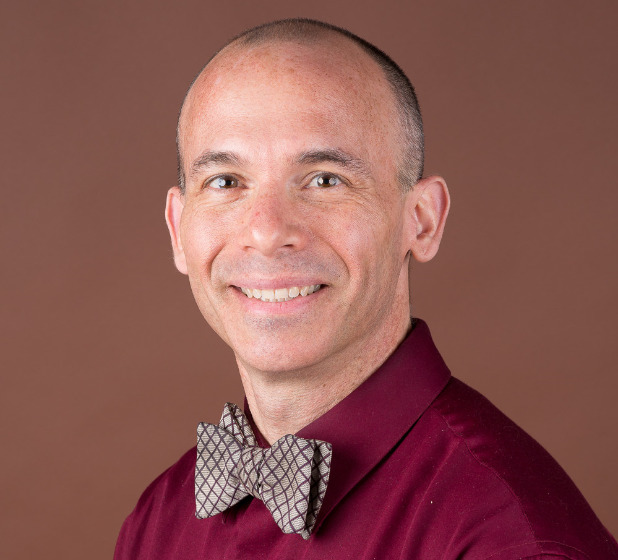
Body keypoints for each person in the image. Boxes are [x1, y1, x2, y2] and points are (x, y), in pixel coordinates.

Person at [114, 18, 618, 559]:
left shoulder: (513, 542)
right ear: (178, 230)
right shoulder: (156, 522)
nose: (266, 232)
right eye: (226, 182)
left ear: (421, 221)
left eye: (325, 179)